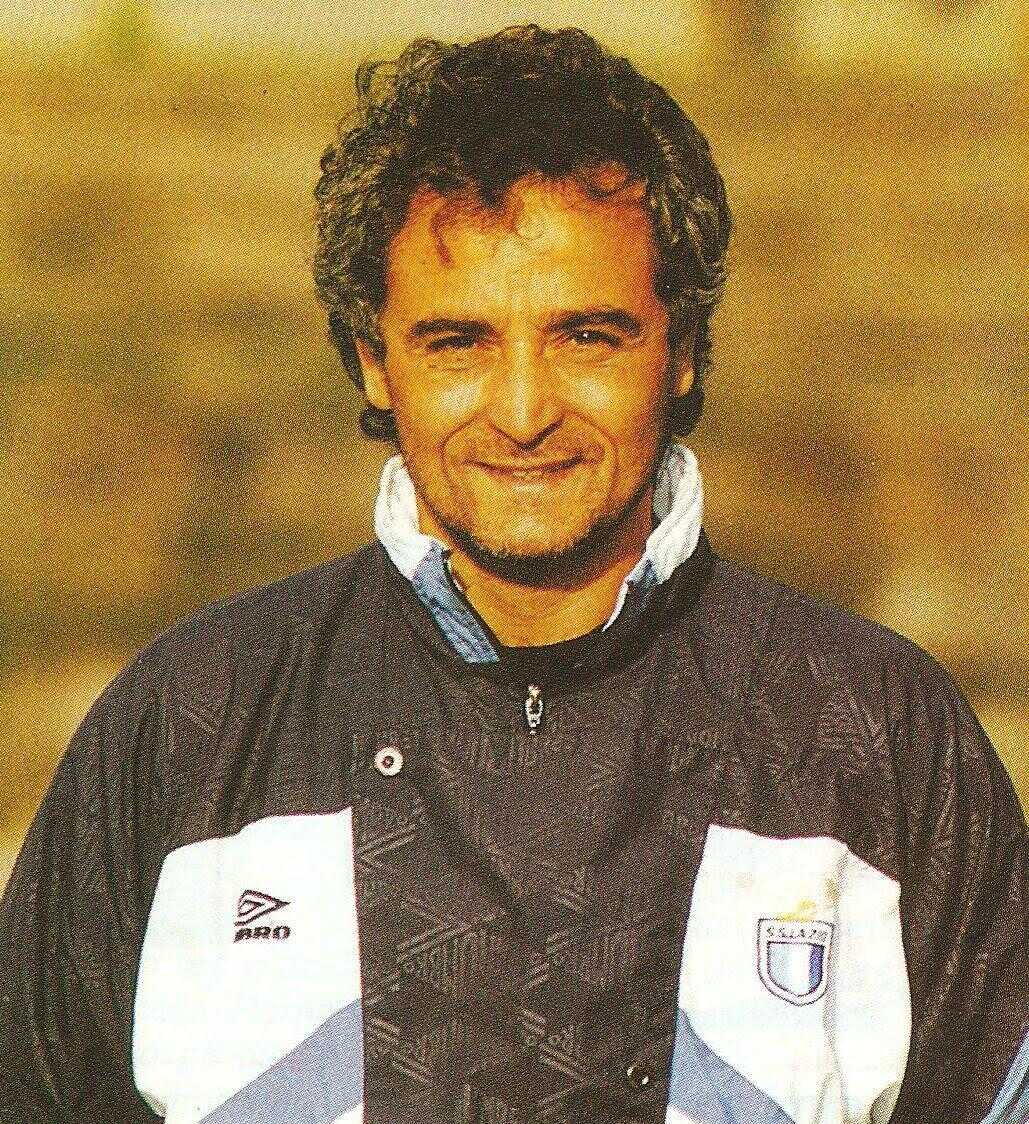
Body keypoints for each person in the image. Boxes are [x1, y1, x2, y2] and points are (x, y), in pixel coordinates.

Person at [0, 24, 1025, 1124]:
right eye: (459, 342)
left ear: (681, 348)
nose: (525, 411)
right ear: (373, 359)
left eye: (587, 336)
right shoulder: (186, 724)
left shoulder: (878, 734)